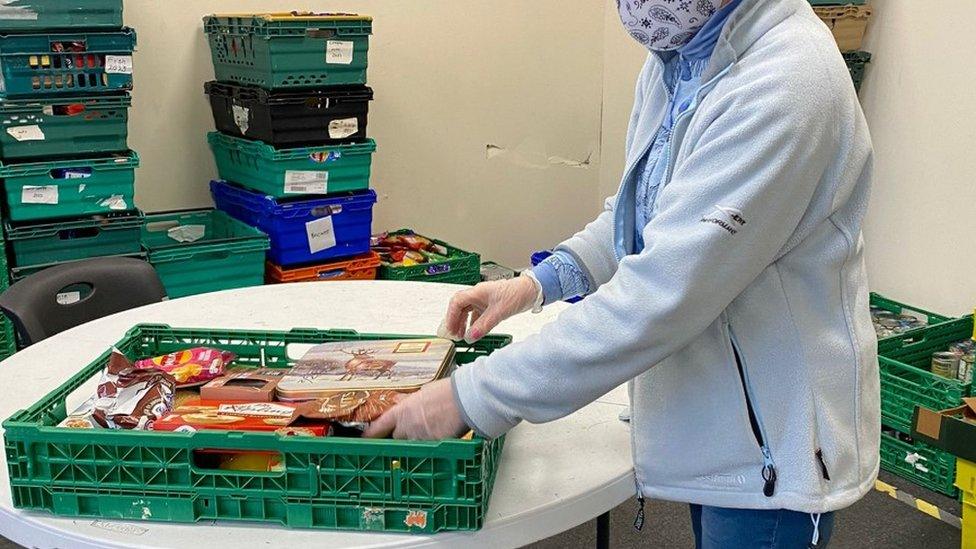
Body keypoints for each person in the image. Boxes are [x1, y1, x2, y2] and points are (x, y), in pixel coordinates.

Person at [365, 0, 877, 546]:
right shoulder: (678, 59)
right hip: (715, 409)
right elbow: (642, 213)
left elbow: (662, 294)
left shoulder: (786, 84)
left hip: (775, 439)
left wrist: (471, 397)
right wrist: (539, 283)